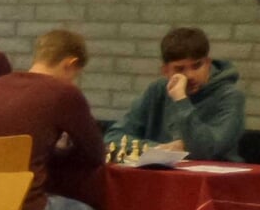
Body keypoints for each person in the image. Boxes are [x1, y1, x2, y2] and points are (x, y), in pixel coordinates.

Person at [0, 29, 106, 210]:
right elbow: (95, 153)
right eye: (76, 75)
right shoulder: (64, 92)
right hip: (25, 209)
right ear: (70, 64)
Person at [104, 27, 247, 162]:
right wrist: (159, 149)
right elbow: (112, 137)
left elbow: (205, 151)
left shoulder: (230, 96)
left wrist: (181, 101)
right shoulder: (157, 90)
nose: (190, 75)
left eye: (197, 66)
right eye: (180, 69)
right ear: (165, 71)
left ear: (208, 63)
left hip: (216, 181)